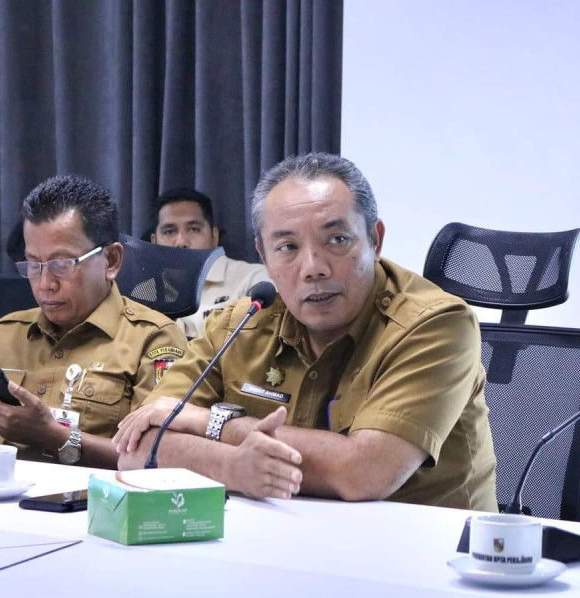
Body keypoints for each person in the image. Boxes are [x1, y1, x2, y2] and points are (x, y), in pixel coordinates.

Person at [115, 153, 497, 509]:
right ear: (263, 255)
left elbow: (364, 472)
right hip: (280, 540)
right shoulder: (240, 323)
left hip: (423, 549)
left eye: (337, 240)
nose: (313, 267)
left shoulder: (435, 324)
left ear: (375, 239)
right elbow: (137, 446)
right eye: (287, 247)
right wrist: (231, 468)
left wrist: (210, 424)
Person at [0, 175, 188, 469]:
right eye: (33, 265)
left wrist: (54, 437)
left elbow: (158, 457)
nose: (45, 284)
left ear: (111, 260)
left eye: (61, 265)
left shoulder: (153, 340)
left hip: (91, 497)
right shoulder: (7, 332)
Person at [150, 189, 270, 338]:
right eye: (169, 231)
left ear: (214, 236)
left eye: (193, 229)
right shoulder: (142, 294)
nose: (181, 242)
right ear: (154, 241)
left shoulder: (254, 280)